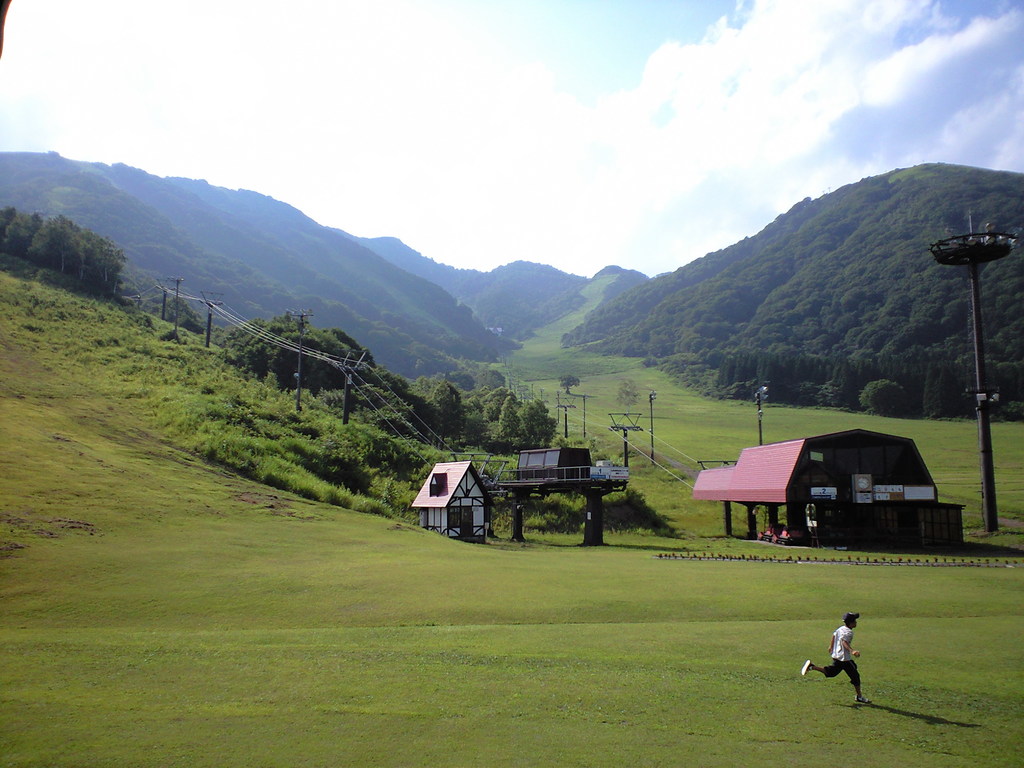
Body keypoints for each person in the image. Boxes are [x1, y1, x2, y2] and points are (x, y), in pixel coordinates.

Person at [801, 612, 870, 703]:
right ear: (850, 623)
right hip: (844, 659)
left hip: (837, 656)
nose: (856, 623)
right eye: (855, 621)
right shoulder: (849, 632)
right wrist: (852, 651)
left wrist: (831, 646)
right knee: (855, 677)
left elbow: (834, 635)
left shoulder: (841, 628)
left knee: (831, 673)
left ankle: (812, 667)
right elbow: (844, 642)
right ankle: (859, 697)